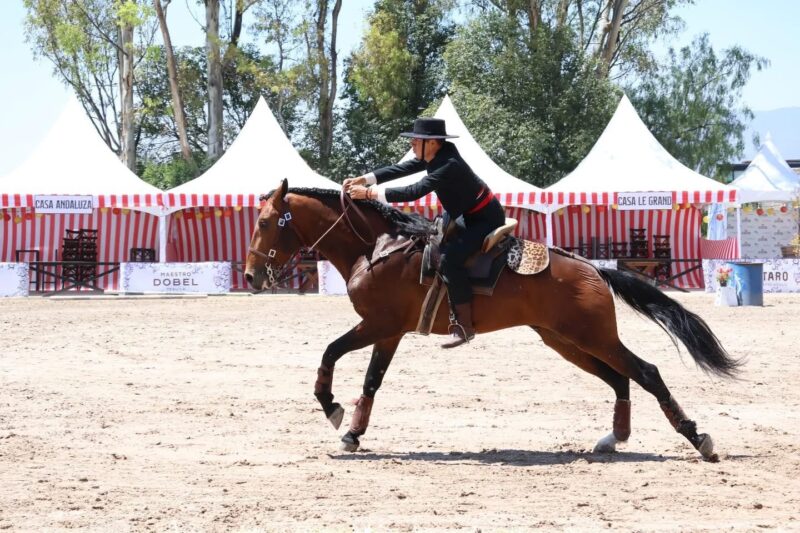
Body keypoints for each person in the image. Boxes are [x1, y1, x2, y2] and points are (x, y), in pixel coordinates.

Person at [345, 117, 505, 348]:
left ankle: (464, 326)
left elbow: (414, 191)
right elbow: (403, 168)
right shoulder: (438, 154)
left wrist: (369, 193)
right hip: (463, 213)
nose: (412, 144)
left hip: (483, 219)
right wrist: (365, 178)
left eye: (415, 141)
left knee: (451, 261)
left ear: (431, 143)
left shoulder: (449, 164)